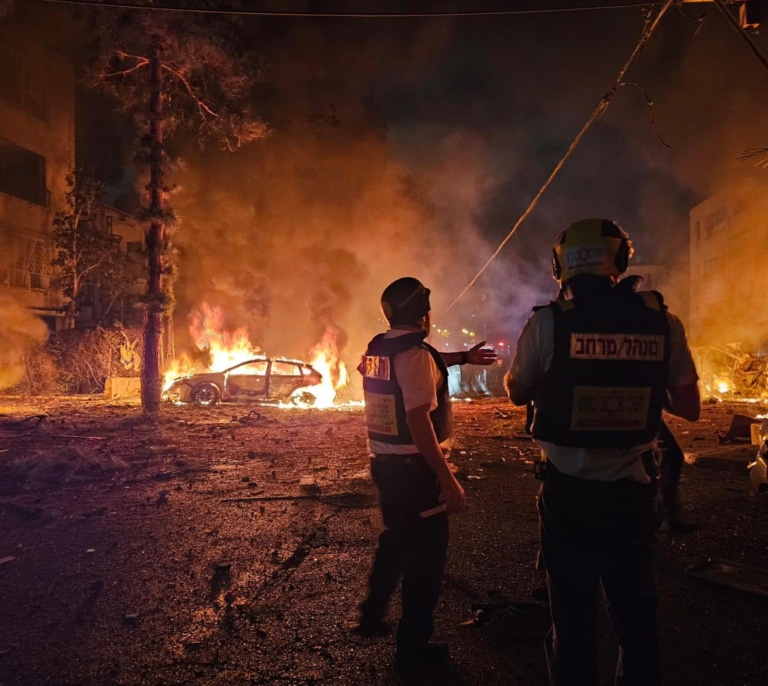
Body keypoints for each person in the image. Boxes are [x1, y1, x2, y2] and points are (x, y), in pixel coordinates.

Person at [504, 219, 700, 686]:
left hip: (568, 492)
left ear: (560, 267)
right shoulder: (662, 321)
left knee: (571, 617)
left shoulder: (548, 323)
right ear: (621, 260)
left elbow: (516, 392)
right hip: (633, 490)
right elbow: (689, 408)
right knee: (636, 616)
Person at [354, 276, 497, 676]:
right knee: (426, 564)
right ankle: (411, 651)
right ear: (424, 314)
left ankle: (372, 610)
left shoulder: (378, 347)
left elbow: (421, 363)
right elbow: (418, 419)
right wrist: (447, 478)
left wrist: (464, 358)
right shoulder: (414, 355)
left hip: (384, 464)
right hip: (416, 472)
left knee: (397, 537)